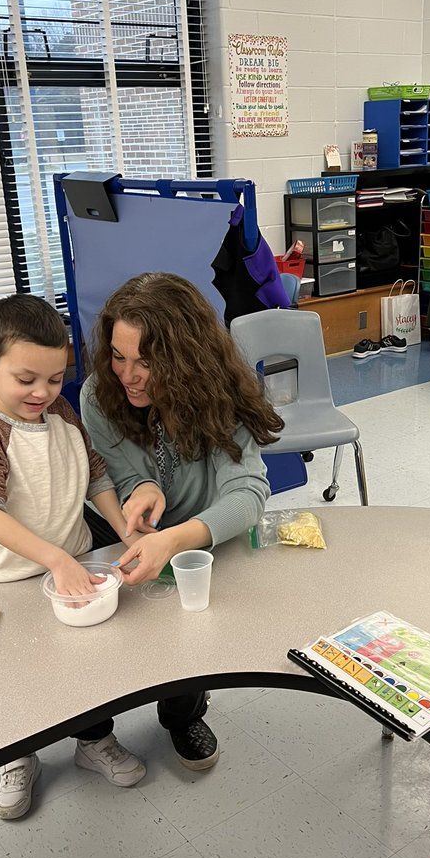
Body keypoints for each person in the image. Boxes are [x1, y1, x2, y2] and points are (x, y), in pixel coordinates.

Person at [0, 294, 146, 821]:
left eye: (56, 379)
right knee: (19, 677)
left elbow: (96, 473)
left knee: (84, 669)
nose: (43, 392)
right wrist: (54, 558)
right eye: (26, 379)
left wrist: (125, 528)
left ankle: (93, 741)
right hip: (9, 580)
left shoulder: (60, 412)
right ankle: (16, 755)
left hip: (76, 567)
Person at [79, 272, 285, 768]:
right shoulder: (99, 396)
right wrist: (141, 489)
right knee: (106, 612)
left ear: (184, 359)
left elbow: (249, 493)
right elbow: (121, 476)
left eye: (147, 362)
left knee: (191, 619)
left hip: (197, 527)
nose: (128, 375)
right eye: (119, 356)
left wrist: (175, 538)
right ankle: (92, 728)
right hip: (125, 527)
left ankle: (183, 713)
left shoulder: (219, 397)